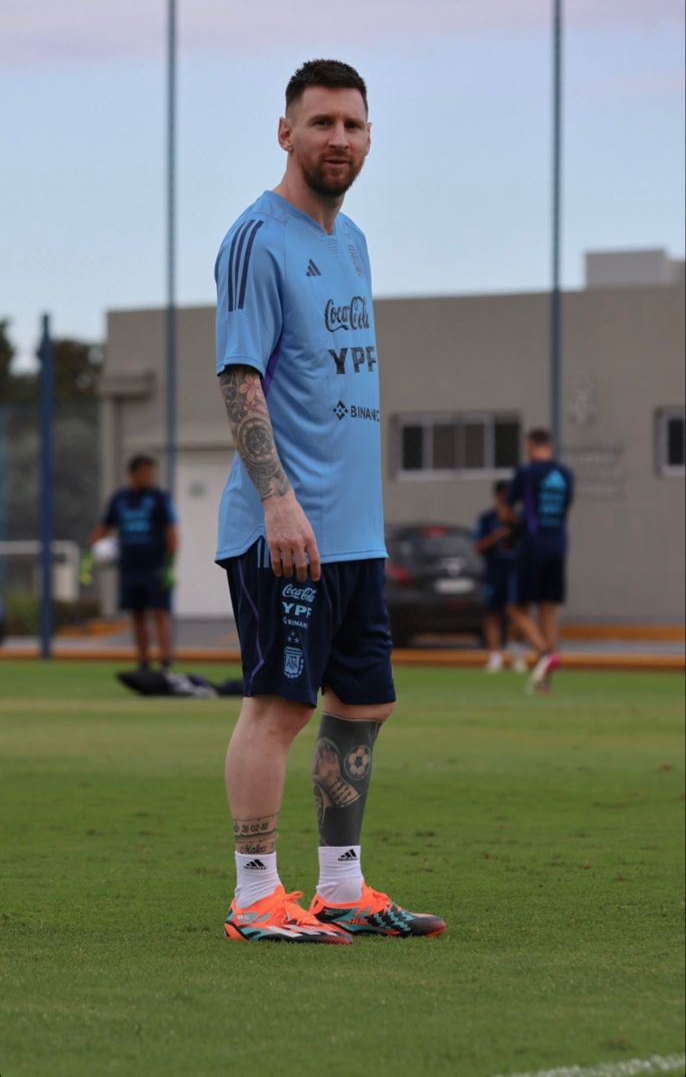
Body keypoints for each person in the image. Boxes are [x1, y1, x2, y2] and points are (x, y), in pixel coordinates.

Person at [214, 58, 446, 944]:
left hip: (355, 533)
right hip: (287, 530)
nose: (338, 139)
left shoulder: (352, 243)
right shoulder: (256, 238)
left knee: (363, 704)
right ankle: (254, 897)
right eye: (321, 123)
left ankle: (342, 885)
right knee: (278, 706)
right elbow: (241, 378)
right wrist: (278, 501)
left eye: (353, 125)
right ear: (286, 132)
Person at [84, 454, 177, 674]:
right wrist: (91, 552)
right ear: (134, 474)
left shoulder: (159, 498)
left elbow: (171, 530)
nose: (150, 477)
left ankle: (165, 662)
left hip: (155, 567)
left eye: (152, 473)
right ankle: (143, 663)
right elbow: (103, 527)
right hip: (129, 567)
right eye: (145, 473)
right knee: (137, 614)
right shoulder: (120, 499)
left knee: (160, 613)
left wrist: (170, 563)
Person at [504, 428, 574, 694]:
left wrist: (511, 523)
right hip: (558, 545)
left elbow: (509, 510)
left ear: (530, 445)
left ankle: (545, 654)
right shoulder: (565, 475)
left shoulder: (527, 472)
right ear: (552, 446)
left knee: (516, 608)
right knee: (549, 611)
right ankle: (545, 681)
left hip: (534, 545)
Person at [473, 480, 527, 674]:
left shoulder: (520, 519)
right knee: (493, 614)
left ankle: (517, 654)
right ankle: (495, 656)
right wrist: (497, 535)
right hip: (494, 572)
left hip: (517, 572)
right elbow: (477, 546)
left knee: (518, 614)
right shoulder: (487, 519)